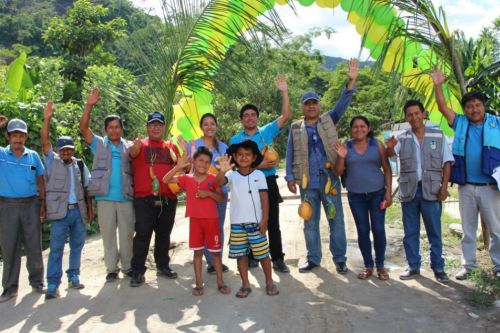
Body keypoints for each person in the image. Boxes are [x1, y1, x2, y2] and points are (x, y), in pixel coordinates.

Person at [285, 59, 359, 273]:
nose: (311, 106)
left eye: (314, 103)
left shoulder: (328, 119)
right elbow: (290, 152)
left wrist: (351, 82)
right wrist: (290, 176)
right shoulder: (295, 127)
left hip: (330, 180)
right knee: (309, 221)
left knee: (336, 220)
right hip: (307, 182)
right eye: (307, 103)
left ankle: (340, 259)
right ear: (303, 107)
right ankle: (313, 258)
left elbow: (342, 105)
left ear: (319, 105)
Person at [431, 68, 500, 279]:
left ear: (483, 107)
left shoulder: (496, 123)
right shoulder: (460, 123)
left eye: (478, 105)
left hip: (490, 187)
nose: (474, 109)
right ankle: (469, 266)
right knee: (468, 230)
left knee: (497, 230)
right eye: (469, 106)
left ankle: (498, 266)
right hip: (467, 186)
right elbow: (442, 107)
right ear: (465, 109)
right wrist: (438, 85)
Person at [229, 74, 291, 273]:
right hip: (245, 183)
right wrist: (260, 164)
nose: (249, 118)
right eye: (246, 115)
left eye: (252, 115)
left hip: (268, 181)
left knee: (272, 220)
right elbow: (233, 166)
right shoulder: (235, 140)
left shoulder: (266, 132)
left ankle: (278, 258)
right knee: (248, 219)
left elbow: (285, 116)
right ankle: (251, 256)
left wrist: (284, 92)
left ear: (257, 118)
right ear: (241, 119)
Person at [386, 100, 453, 283]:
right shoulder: (402, 137)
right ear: (406, 118)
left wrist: (444, 187)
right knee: (410, 231)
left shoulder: (438, 135)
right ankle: (413, 265)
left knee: (434, 231)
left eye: (417, 113)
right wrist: (390, 148)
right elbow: (391, 155)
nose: (414, 117)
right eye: (410, 114)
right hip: (410, 191)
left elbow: (447, 162)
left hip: (431, 189)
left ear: (424, 114)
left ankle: (438, 267)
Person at [79, 88, 135, 282]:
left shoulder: (128, 146)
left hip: (126, 197)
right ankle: (112, 269)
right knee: (108, 235)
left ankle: (127, 267)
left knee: (127, 234)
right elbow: (84, 128)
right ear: (105, 130)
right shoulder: (99, 144)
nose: (114, 130)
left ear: (121, 129)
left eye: (117, 127)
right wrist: (89, 105)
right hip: (104, 198)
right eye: (110, 127)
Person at [41, 101, 93, 299]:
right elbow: (45, 141)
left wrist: (89, 208)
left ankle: (74, 277)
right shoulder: (52, 161)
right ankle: (53, 283)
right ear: (58, 151)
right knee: (56, 249)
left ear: (72, 150)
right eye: (63, 150)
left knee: (77, 246)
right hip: (59, 213)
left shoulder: (79, 165)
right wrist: (47, 118)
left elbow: (87, 187)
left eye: (69, 150)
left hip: (77, 212)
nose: (66, 153)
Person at [163, 147, 230, 296]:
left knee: (216, 254)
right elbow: (165, 180)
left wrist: (209, 193)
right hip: (195, 222)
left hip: (212, 221)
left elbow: (221, 198)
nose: (204, 164)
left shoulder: (213, 179)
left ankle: (221, 282)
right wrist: (178, 167)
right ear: (193, 161)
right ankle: (199, 284)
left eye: (207, 162)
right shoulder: (187, 179)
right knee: (198, 253)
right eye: (201, 160)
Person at [216, 141, 279, 297]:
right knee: (241, 255)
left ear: (254, 157)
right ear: (235, 157)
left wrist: (264, 220)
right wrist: (222, 171)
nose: (244, 157)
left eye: (247, 155)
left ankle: (269, 281)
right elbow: (217, 183)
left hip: (256, 223)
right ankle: (245, 284)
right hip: (237, 224)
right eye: (240, 155)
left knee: (263, 254)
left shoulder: (259, 175)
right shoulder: (232, 175)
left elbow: (265, 199)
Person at [332, 116, 392, 280]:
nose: (359, 129)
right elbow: (337, 172)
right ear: (351, 130)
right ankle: (368, 266)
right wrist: (341, 157)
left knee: (378, 229)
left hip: (377, 193)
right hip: (356, 196)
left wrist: (388, 192)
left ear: (368, 128)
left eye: (362, 126)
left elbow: (386, 169)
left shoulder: (377, 145)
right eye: (355, 127)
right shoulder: (346, 147)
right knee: (363, 230)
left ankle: (380, 265)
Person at [128, 111, 180, 287]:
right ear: (147, 127)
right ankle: (137, 271)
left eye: (159, 125)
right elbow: (132, 154)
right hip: (144, 198)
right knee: (142, 235)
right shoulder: (139, 145)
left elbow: (180, 169)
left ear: (164, 127)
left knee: (164, 234)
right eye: (153, 124)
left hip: (167, 198)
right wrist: (133, 149)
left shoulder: (171, 147)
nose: (156, 128)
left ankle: (162, 265)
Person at [0, 115, 45, 303]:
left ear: (26, 137)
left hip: (31, 205)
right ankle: (10, 288)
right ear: (8, 137)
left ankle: (37, 282)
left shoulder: (32, 156)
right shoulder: (1, 154)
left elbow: (40, 179)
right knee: (9, 248)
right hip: (7, 206)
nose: (18, 139)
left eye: (22, 136)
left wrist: (43, 203)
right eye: (14, 135)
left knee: (34, 245)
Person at [178, 113, 229, 274]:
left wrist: (223, 176)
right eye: (205, 124)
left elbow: (227, 173)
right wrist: (184, 149)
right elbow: (187, 168)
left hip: (219, 192)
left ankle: (217, 260)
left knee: (217, 228)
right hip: (200, 192)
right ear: (201, 127)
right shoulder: (194, 144)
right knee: (203, 228)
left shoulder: (223, 147)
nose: (209, 127)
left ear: (217, 126)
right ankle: (211, 262)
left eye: (212, 124)